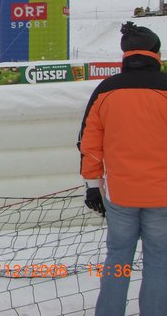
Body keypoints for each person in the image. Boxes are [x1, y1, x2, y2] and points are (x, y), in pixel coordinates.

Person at [78, 21, 167, 316]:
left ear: (126, 54)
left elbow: (89, 143)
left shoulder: (106, 90)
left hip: (119, 195)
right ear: (156, 53)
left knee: (117, 259)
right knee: (159, 261)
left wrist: (93, 186)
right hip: (162, 196)